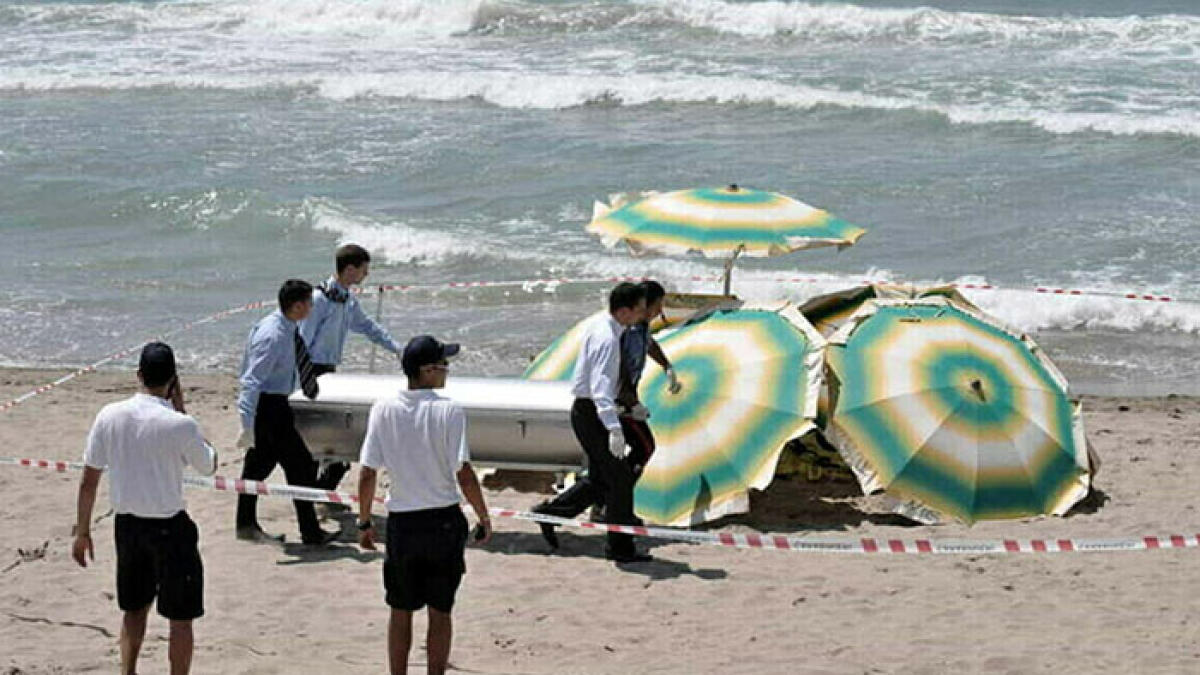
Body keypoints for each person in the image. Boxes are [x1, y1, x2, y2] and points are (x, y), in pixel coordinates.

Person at [72, 342, 217, 675]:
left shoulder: (109, 415)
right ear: (173, 380)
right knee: (181, 617)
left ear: (139, 375)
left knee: (134, 609)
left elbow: (88, 481)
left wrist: (82, 532)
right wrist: (182, 412)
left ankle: (128, 670)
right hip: (169, 527)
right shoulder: (180, 424)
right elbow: (209, 465)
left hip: (128, 526)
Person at [356, 335, 493, 675]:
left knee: (400, 610)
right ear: (428, 370)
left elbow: (367, 473)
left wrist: (364, 521)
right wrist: (483, 515)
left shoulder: (383, 408)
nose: (447, 370)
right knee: (441, 611)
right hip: (442, 521)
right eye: (443, 364)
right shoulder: (449, 410)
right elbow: (463, 473)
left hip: (402, 521)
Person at [531, 280, 680, 551]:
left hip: (600, 410)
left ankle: (552, 513)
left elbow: (645, 346)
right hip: (596, 411)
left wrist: (667, 366)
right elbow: (604, 388)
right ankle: (621, 545)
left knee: (605, 477)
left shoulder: (614, 325)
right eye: (645, 307)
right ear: (628, 309)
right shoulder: (610, 337)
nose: (649, 313)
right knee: (621, 477)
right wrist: (616, 426)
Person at [234, 279, 339, 546]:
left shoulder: (287, 327)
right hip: (269, 408)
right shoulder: (273, 335)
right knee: (300, 466)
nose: (312, 308)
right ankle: (310, 532)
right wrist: (246, 425)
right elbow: (251, 380)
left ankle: (246, 524)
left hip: (277, 404)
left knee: (259, 466)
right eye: (309, 303)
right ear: (297, 306)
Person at [300, 243, 403, 490]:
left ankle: (321, 493)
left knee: (337, 452)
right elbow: (302, 339)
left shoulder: (348, 300)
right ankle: (312, 494)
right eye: (363, 270)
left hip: (329, 371)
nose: (366, 275)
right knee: (316, 438)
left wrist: (398, 349)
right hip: (310, 371)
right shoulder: (319, 299)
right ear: (349, 269)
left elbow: (368, 328)